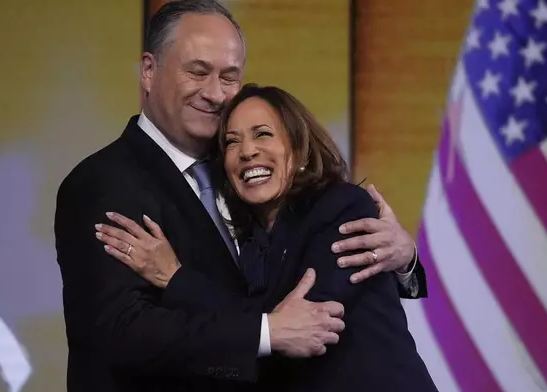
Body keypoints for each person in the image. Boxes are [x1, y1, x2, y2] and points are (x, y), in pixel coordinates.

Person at [55, 1, 425, 391]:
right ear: (149, 72)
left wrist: (404, 260)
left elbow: (305, 303)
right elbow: (121, 330)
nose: (215, 93)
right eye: (197, 71)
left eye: (229, 77)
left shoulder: (250, 182)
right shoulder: (102, 182)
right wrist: (266, 332)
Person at [96, 84, 437, 391]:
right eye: (231, 141)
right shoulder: (246, 243)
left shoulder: (343, 207)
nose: (247, 151)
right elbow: (264, 327)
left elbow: (299, 324)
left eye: (262, 134)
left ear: (299, 150)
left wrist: (175, 277)